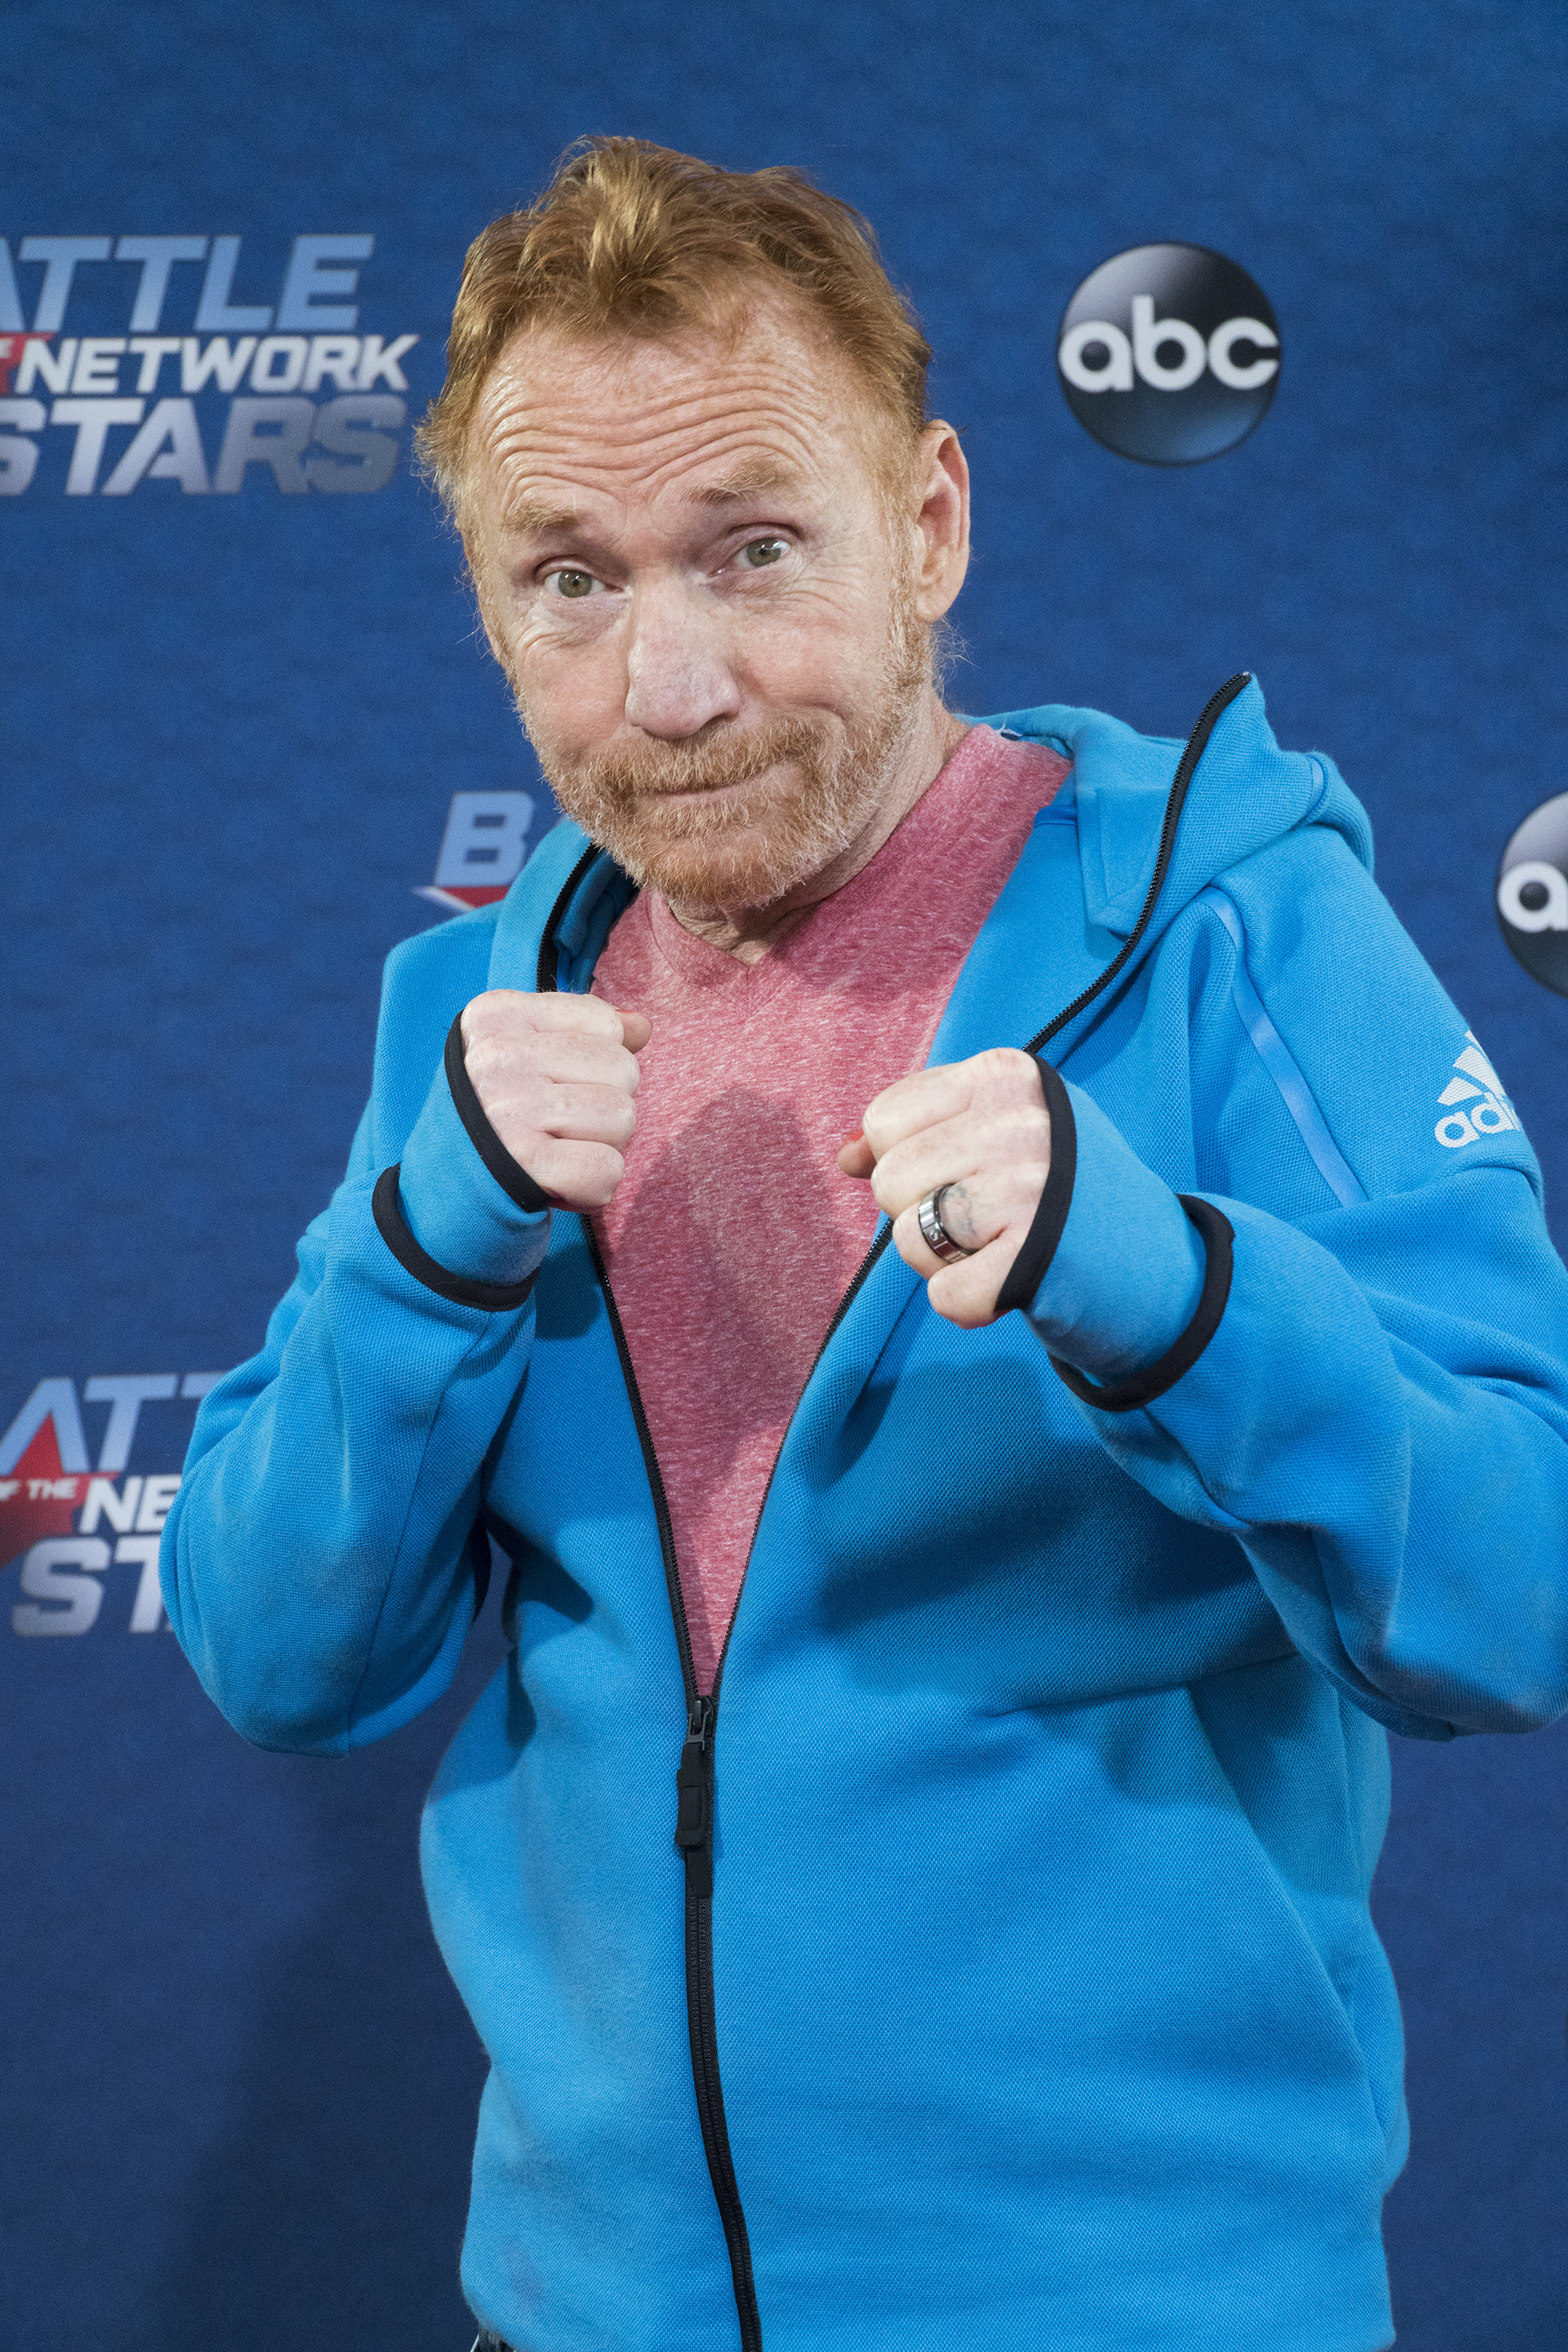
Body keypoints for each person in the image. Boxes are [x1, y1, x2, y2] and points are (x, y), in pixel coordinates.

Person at [163, 139, 1568, 2352]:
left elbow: (1521, 1581)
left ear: (928, 523)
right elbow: (273, 1645)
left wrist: (1166, 1275)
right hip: (581, 2311)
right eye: (569, 581)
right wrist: (421, 1250)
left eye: (752, 551)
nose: (671, 685)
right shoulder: (476, 1016)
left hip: (1135, 2309)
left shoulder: (1221, 922)